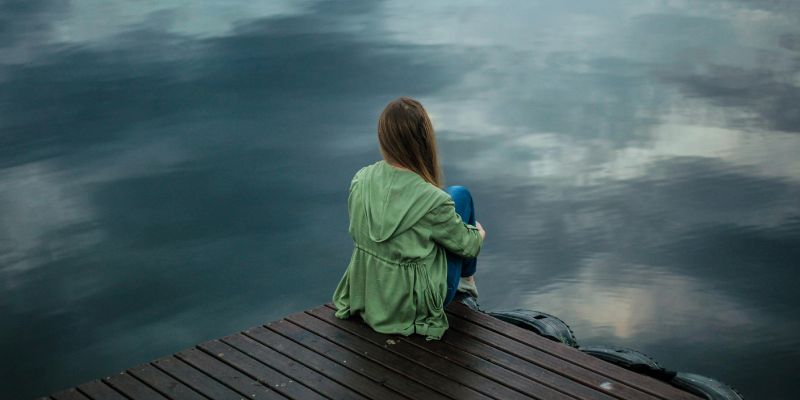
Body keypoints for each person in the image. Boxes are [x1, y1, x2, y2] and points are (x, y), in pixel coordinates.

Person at [331, 96, 486, 341]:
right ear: (424, 140)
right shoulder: (434, 201)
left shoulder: (360, 179)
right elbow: (469, 247)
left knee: (452, 199)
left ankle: (464, 280)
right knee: (460, 195)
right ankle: (466, 283)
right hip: (412, 306)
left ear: (384, 138)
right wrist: (478, 233)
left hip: (371, 293)